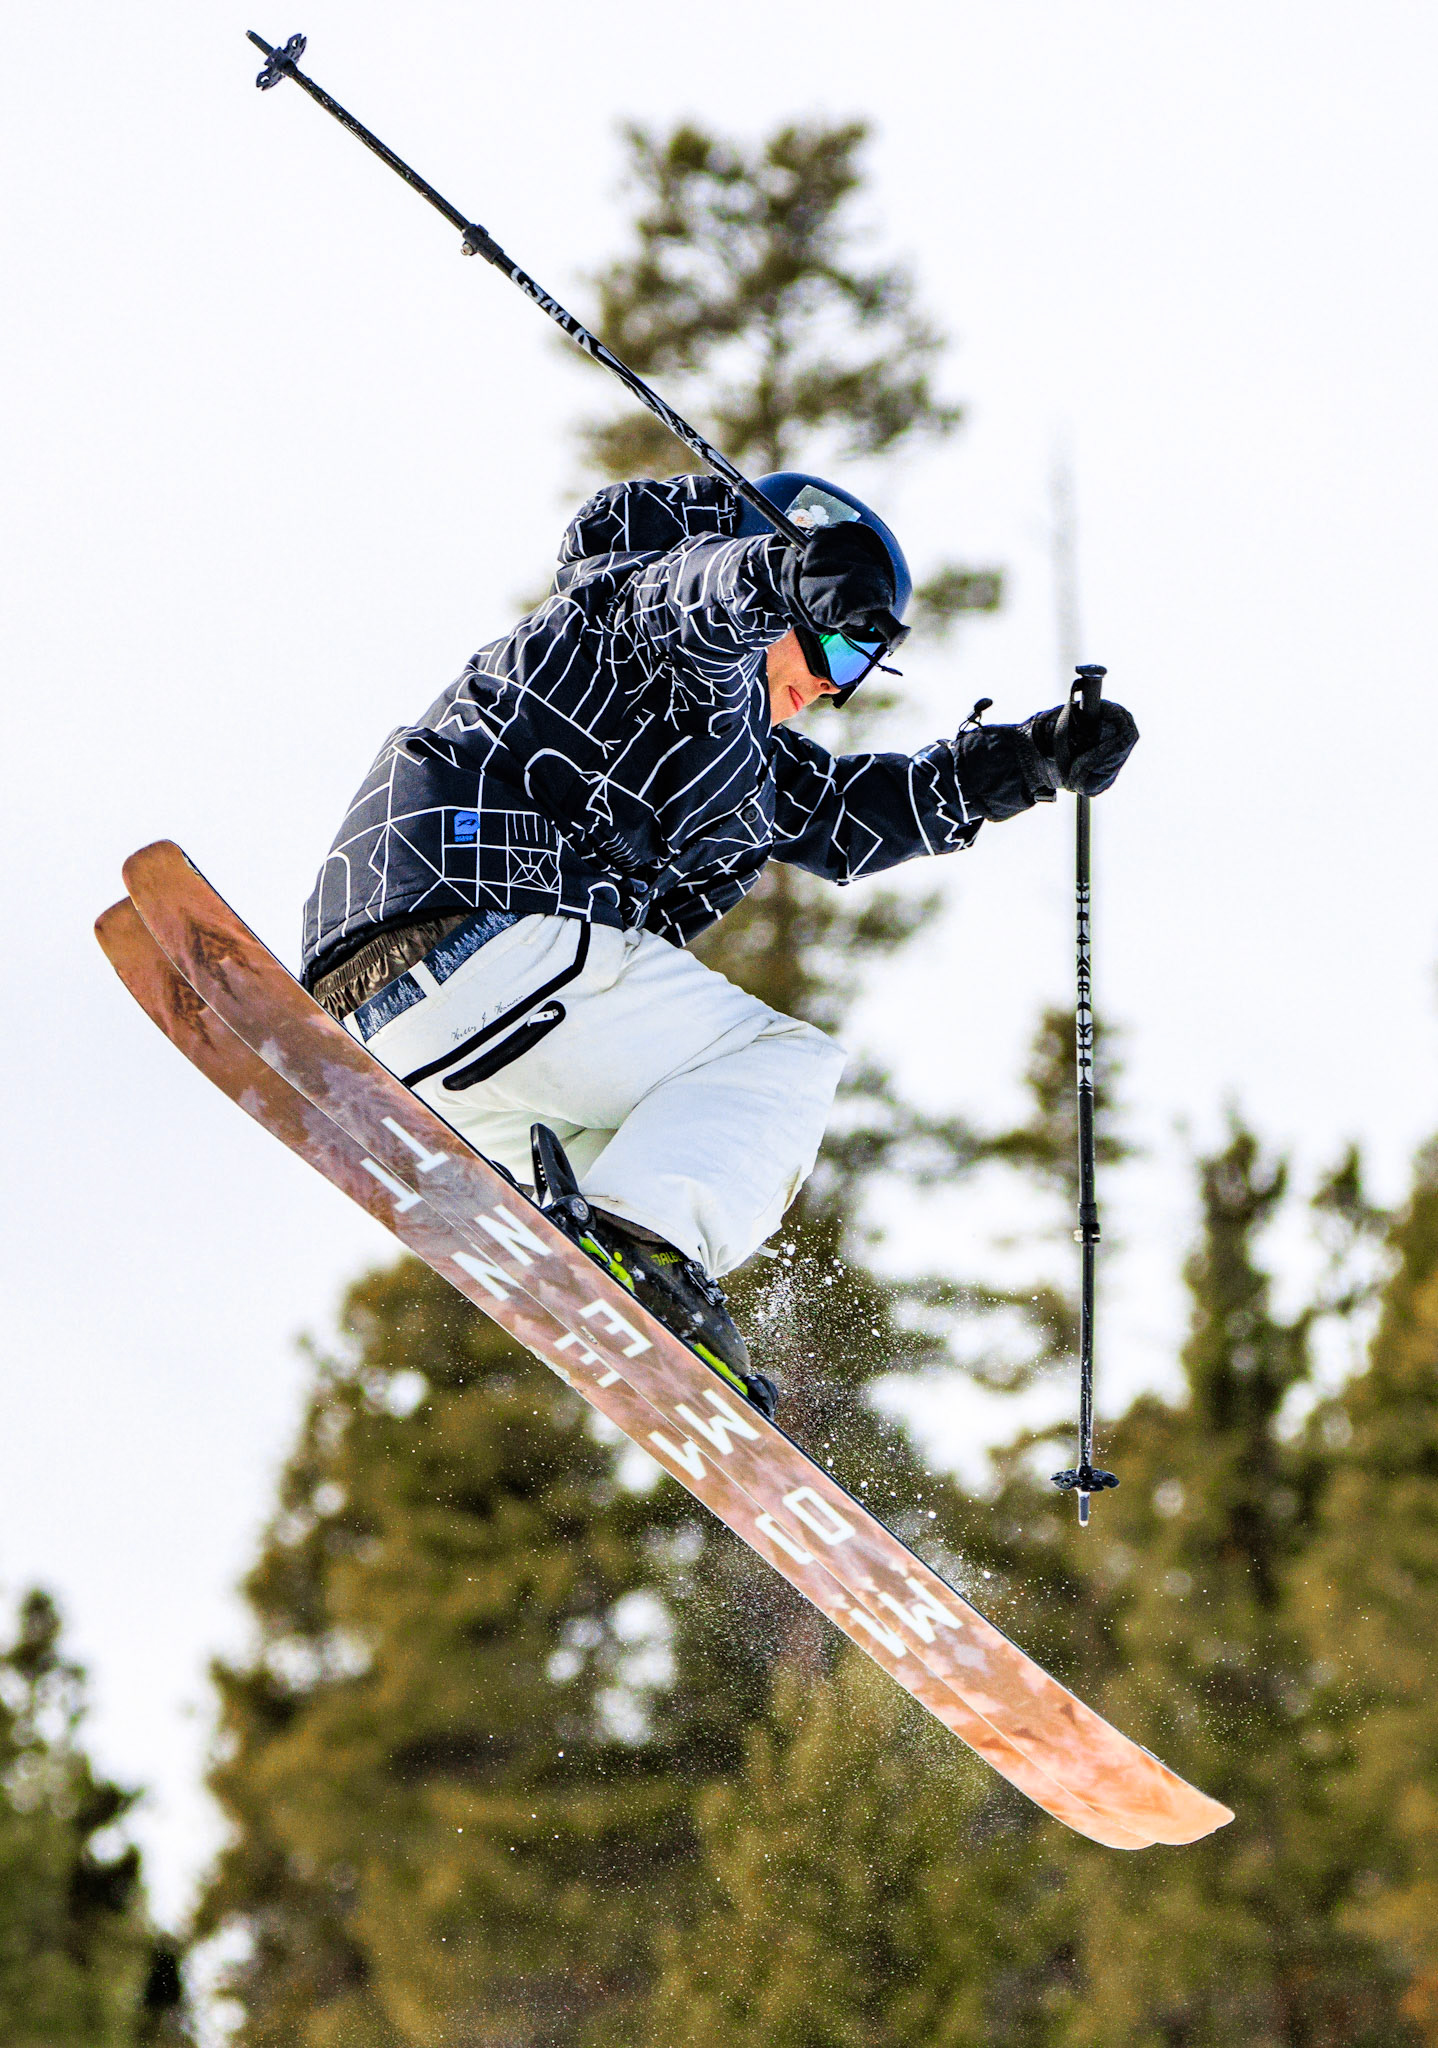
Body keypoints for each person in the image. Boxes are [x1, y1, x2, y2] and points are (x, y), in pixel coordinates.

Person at [300, 471, 1137, 1417]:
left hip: (403, 1026)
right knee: (782, 1065)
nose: (830, 684)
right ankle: (651, 1252)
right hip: (481, 922)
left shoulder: (743, 755)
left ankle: (607, 1264)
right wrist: (776, 574)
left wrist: (1025, 762)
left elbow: (841, 817)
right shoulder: (626, 615)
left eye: (861, 668)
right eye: (840, 638)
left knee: (631, 1150)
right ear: (786, 581)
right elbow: (687, 603)